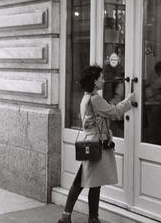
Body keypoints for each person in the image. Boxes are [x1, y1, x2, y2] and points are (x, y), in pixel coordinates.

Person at [57, 65, 135, 223]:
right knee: (86, 182)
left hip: (91, 142)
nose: (104, 80)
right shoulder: (95, 99)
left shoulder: (86, 97)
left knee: (88, 181)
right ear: (94, 81)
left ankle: (74, 216)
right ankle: (89, 218)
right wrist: (129, 100)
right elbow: (114, 112)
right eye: (101, 77)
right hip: (97, 144)